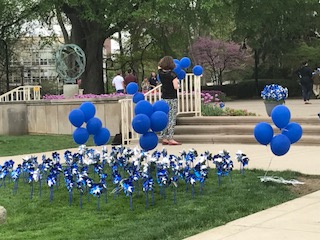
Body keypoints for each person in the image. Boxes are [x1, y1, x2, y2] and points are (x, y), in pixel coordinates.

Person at [158, 56, 181, 145]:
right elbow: (176, 87)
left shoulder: (160, 73)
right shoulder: (173, 75)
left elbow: (159, 67)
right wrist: (179, 85)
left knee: (165, 117)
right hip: (172, 98)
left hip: (164, 98)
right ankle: (170, 138)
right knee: (172, 118)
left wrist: (162, 63)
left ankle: (163, 137)